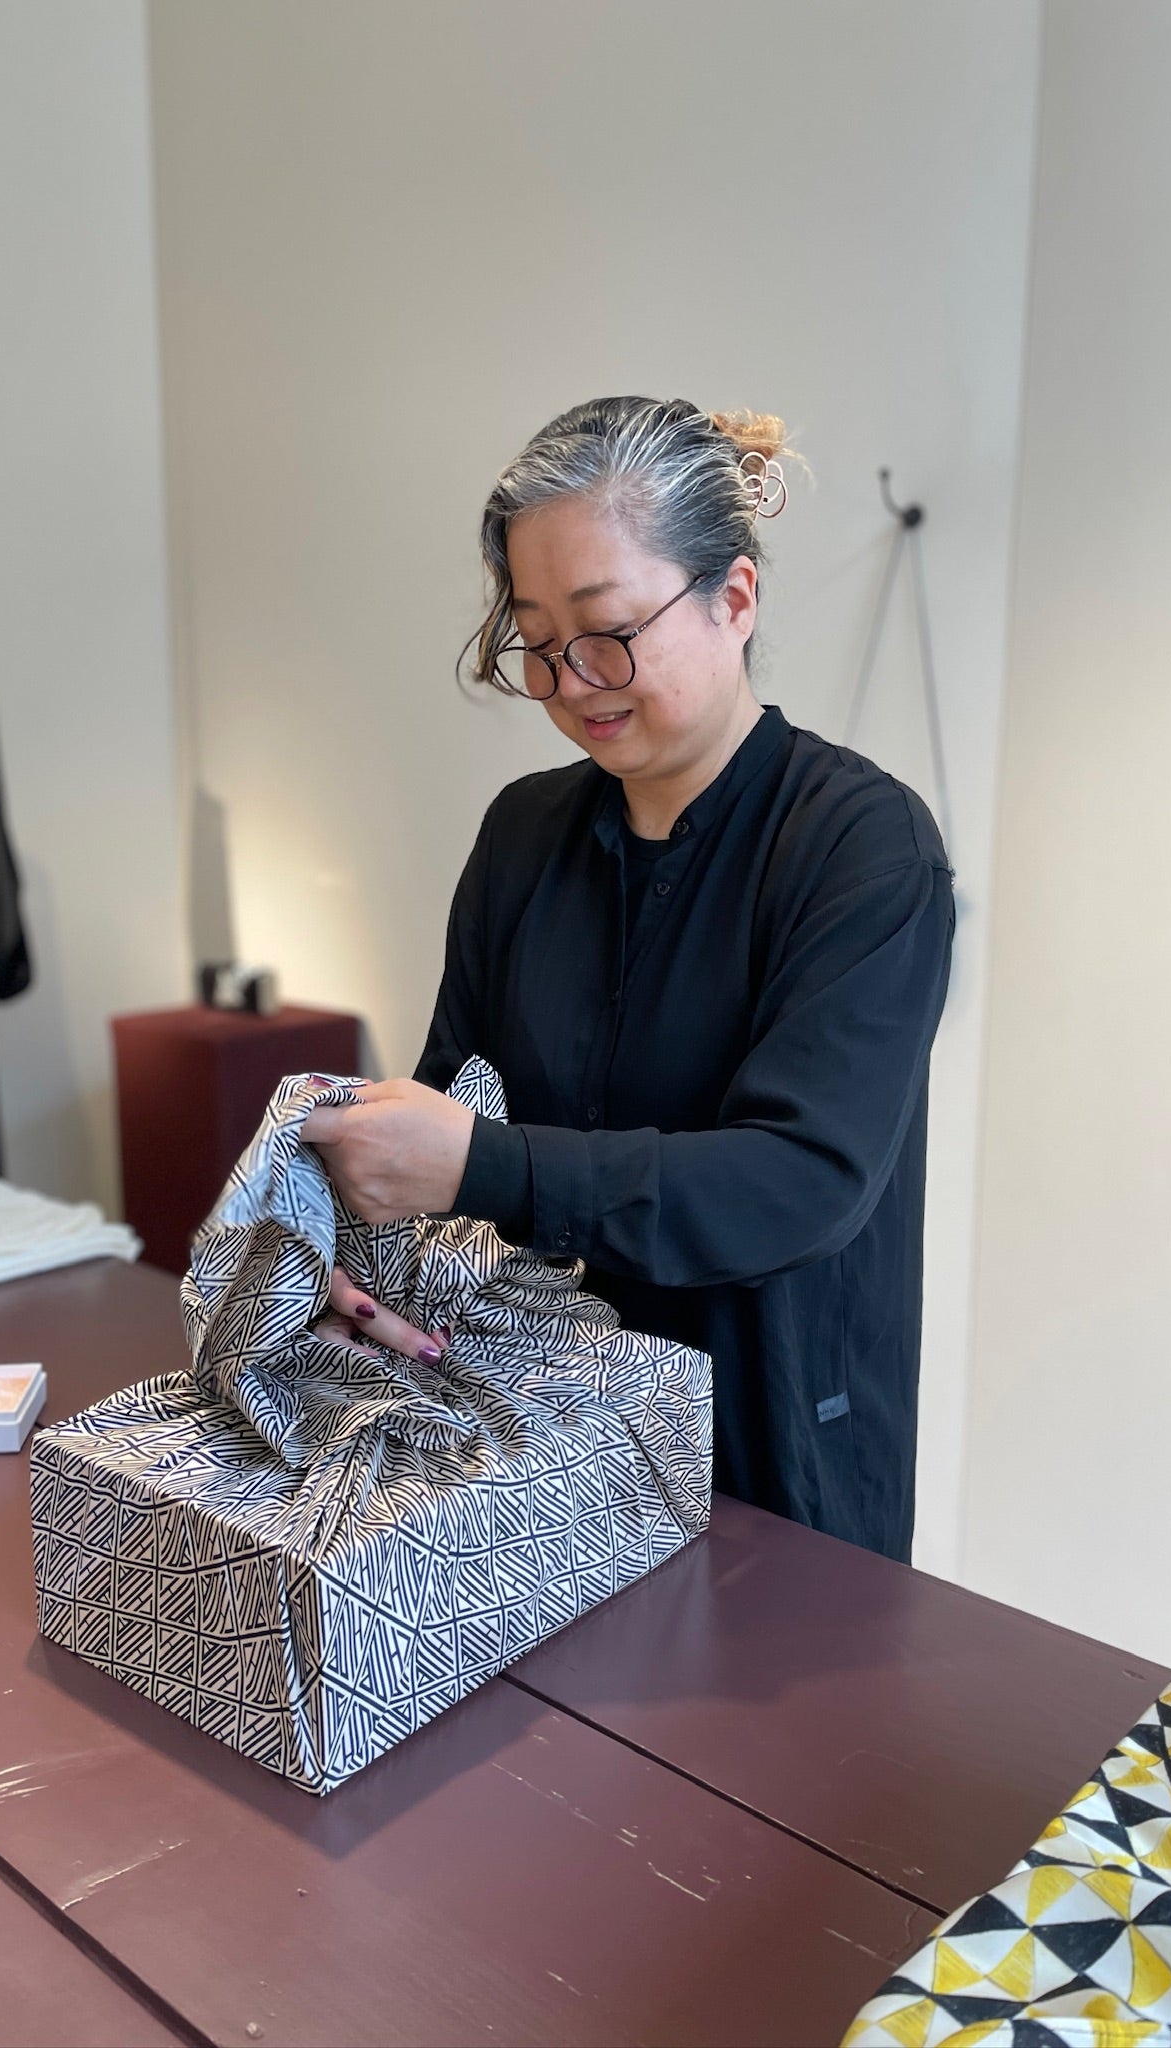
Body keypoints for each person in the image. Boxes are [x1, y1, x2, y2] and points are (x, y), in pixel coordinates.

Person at [302, 395, 955, 1563]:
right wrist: (364, 1266)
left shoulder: (862, 848)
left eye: (606, 631)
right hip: (528, 1443)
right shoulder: (523, 835)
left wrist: (481, 1165)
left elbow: (799, 1181)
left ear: (735, 599)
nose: (570, 680)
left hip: (766, 1468)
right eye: (535, 640)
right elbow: (462, 1093)